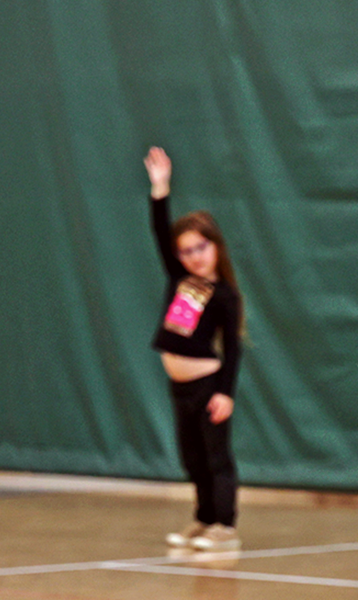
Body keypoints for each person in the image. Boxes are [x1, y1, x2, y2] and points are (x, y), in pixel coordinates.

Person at [142, 146, 246, 552]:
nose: (193, 257)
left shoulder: (225, 295)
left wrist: (225, 393)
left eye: (200, 247)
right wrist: (160, 188)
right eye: (185, 251)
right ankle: (203, 519)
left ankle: (226, 526)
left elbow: (233, 348)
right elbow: (158, 231)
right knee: (192, 457)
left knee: (217, 456)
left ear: (215, 246)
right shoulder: (178, 279)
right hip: (179, 388)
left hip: (207, 386)